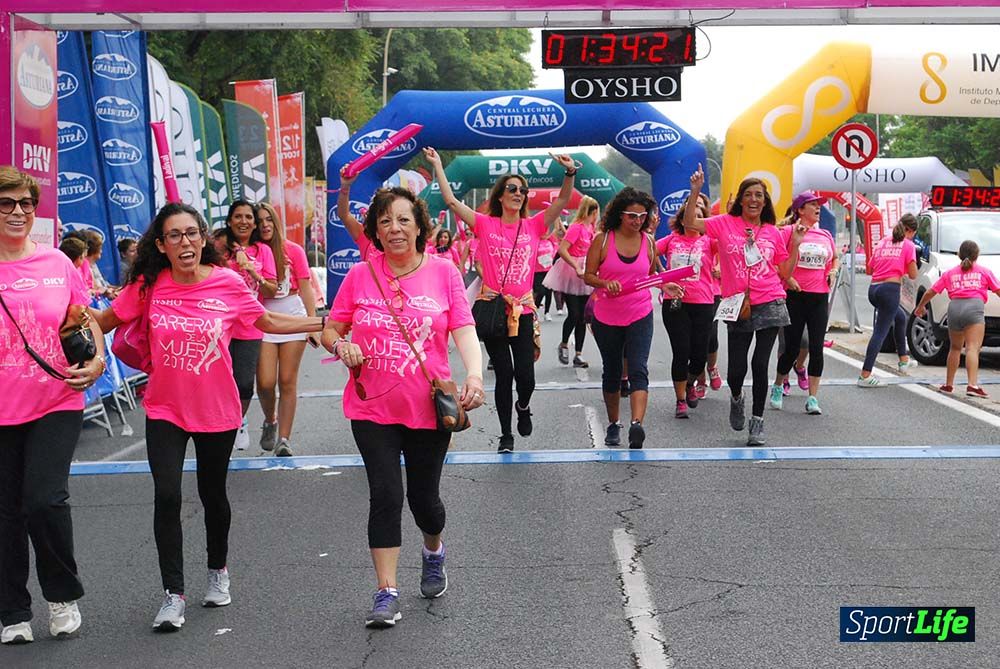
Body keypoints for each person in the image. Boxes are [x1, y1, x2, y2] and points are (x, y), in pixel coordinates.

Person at [90, 202, 324, 632]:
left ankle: (218, 569)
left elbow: (268, 318)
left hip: (216, 409)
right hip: (164, 408)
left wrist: (321, 324)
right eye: (175, 235)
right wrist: (68, 327)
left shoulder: (228, 283)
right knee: (167, 495)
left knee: (213, 495)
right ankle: (172, 595)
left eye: (192, 233)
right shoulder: (148, 286)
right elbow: (103, 321)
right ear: (160, 245)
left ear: (203, 238)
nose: (186, 242)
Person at [320, 186, 484, 629]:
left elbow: (464, 331)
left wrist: (473, 376)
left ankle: (434, 550)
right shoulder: (359, 276)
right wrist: (343, 346)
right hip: (371, 405)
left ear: (419, 227)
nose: (394, 228)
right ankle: (386, 591)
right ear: (375, 228)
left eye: (403, 220)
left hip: (428, 407)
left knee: (424, 500)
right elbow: (331, 329)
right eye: (385, 221)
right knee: (386, 495)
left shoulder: (444, 272)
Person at [0, 166, 106, 644]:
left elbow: (85, 318)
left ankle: (61, 595)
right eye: (7, 203)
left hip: (55, 396)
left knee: (44, 499)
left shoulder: (56, 264)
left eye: (25, 203)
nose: (18, 212)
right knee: (5, 510)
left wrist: (100, 359)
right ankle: (12, 611)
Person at [426, 146, 577, 453]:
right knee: (504, 374)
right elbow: (453, 201)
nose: (519, 193)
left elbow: (562, 200)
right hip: (494, 308)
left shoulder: (534, 225)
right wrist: (438, 165)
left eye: (523, 190)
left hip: (522, 310)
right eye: (512, 188)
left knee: (526, 376)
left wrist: (570, 172)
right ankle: (506, 434)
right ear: (500, 195)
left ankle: (524, 406)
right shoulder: (484, 223)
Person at [682, 165, 805, 446]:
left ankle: (757, 422)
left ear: (765, 201)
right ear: (740, 199)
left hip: (771, 300)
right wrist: (695, 191)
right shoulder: (724, 223)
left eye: (759, 195)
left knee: (760, 364)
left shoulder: (773, 232)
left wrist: (795, 244)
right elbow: (691, 223)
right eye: (748, 194)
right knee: (736, 370)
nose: (753, 199)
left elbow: (784, 272)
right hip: (738, 303)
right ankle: (736, 397)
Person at [585, 187, 682, 448]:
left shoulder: (648, 241)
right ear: (619, 215)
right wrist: (605, 283)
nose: (637, 221)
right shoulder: (603, 240)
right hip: (606, 316)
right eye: (631, 216)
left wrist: (664, 286)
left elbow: (651, 275)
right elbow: (588, 275)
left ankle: (637, 425)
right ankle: (614, 423)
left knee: (639, 368)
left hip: (640, 312)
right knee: (613, 371)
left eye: (642, 216)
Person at [255, 202, 319, 457]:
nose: (265, 225)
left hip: (293, 314)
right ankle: (270, 420)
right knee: (266, 381)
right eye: (260, 221)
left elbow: (306, 287)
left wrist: (313, 323)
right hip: (263, 315)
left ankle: (284, 438)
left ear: (276, 222)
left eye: (268, 219)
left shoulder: (293, 250)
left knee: (287, 381)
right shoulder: (253, 252)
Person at [769, 191, 838, 415]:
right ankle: (778, 385)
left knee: (817, 348)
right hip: (795, 295)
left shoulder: (825, 235)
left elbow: (834, 257)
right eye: (812, 205)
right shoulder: (788, 232)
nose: (818, 208)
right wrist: (788, 278)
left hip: (819, 296)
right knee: (791, 348)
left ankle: (813, 399)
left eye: (819, 205)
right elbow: (775, 259)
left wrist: (834, 269)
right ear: (800, 210)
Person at [217, 200, 278, 449]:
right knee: (222, 380)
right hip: (220, 324)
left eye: (249, 217)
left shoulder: (263, 251)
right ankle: (224, 426)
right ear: (230, 221)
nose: (244, 221)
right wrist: (233, 249)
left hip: (250, 324)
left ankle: (238, 420)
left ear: (254, 223)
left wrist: (253, 272)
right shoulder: (219, 248)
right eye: (238, 216)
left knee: (243, 381)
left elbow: (272, 290)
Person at [657, 195, 717, 419]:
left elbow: (733, 247)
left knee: (699, 355)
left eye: (700, 218)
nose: (695, 221)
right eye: (690, 217)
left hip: (703, 303)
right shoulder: (671, 240)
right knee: (681, 352)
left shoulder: (710, 241)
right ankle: (680, 399)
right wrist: (661, 279)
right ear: (682, 220)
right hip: (676, 304)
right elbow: (646, 253)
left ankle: (690, 382)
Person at [915, 240, 1000, 397]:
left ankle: (948, 384)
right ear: (977, 255)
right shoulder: (984, 271)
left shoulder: (950, 273)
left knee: (954, 348)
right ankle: (972, 385)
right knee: (972, 348)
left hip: (954, 308)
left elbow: (931, 291)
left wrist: (920, 307)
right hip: (974, 308)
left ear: (959, 255)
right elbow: (998, 290)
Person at [859, 213, 919, 386]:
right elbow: (913, 274)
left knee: (900, 318)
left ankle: (903, 360)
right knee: (880, 332)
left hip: (874, 289)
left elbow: (870, 267)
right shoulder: (908, 245)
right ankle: (865, 374)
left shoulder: (884, 241)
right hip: (890, 290)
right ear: (911, 231)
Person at [545, 196, 598, 367]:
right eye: (596, 212)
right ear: (592, 211)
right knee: (574, 313)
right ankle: (564, 343)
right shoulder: (577, 228)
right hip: (570, 273)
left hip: (586, 275)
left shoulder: (591, 228)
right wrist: (575, 265)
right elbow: (562, 250)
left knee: (584, 316)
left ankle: (579, 354)